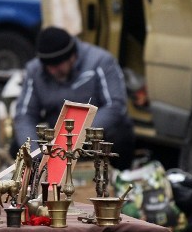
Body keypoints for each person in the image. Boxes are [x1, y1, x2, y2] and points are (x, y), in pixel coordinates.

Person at [13, 26, 135, 170]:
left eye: (58, 65)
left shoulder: (101, 61)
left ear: (72, 56)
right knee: (18, 142)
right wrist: (34, 152)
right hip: (57, 137)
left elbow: (115, 105)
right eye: (48, 66)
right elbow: (24, 114)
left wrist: (78, 135)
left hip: (94, 133)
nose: (53, 71)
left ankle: (117, 176)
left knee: (122, 132)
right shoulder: (35, 70)